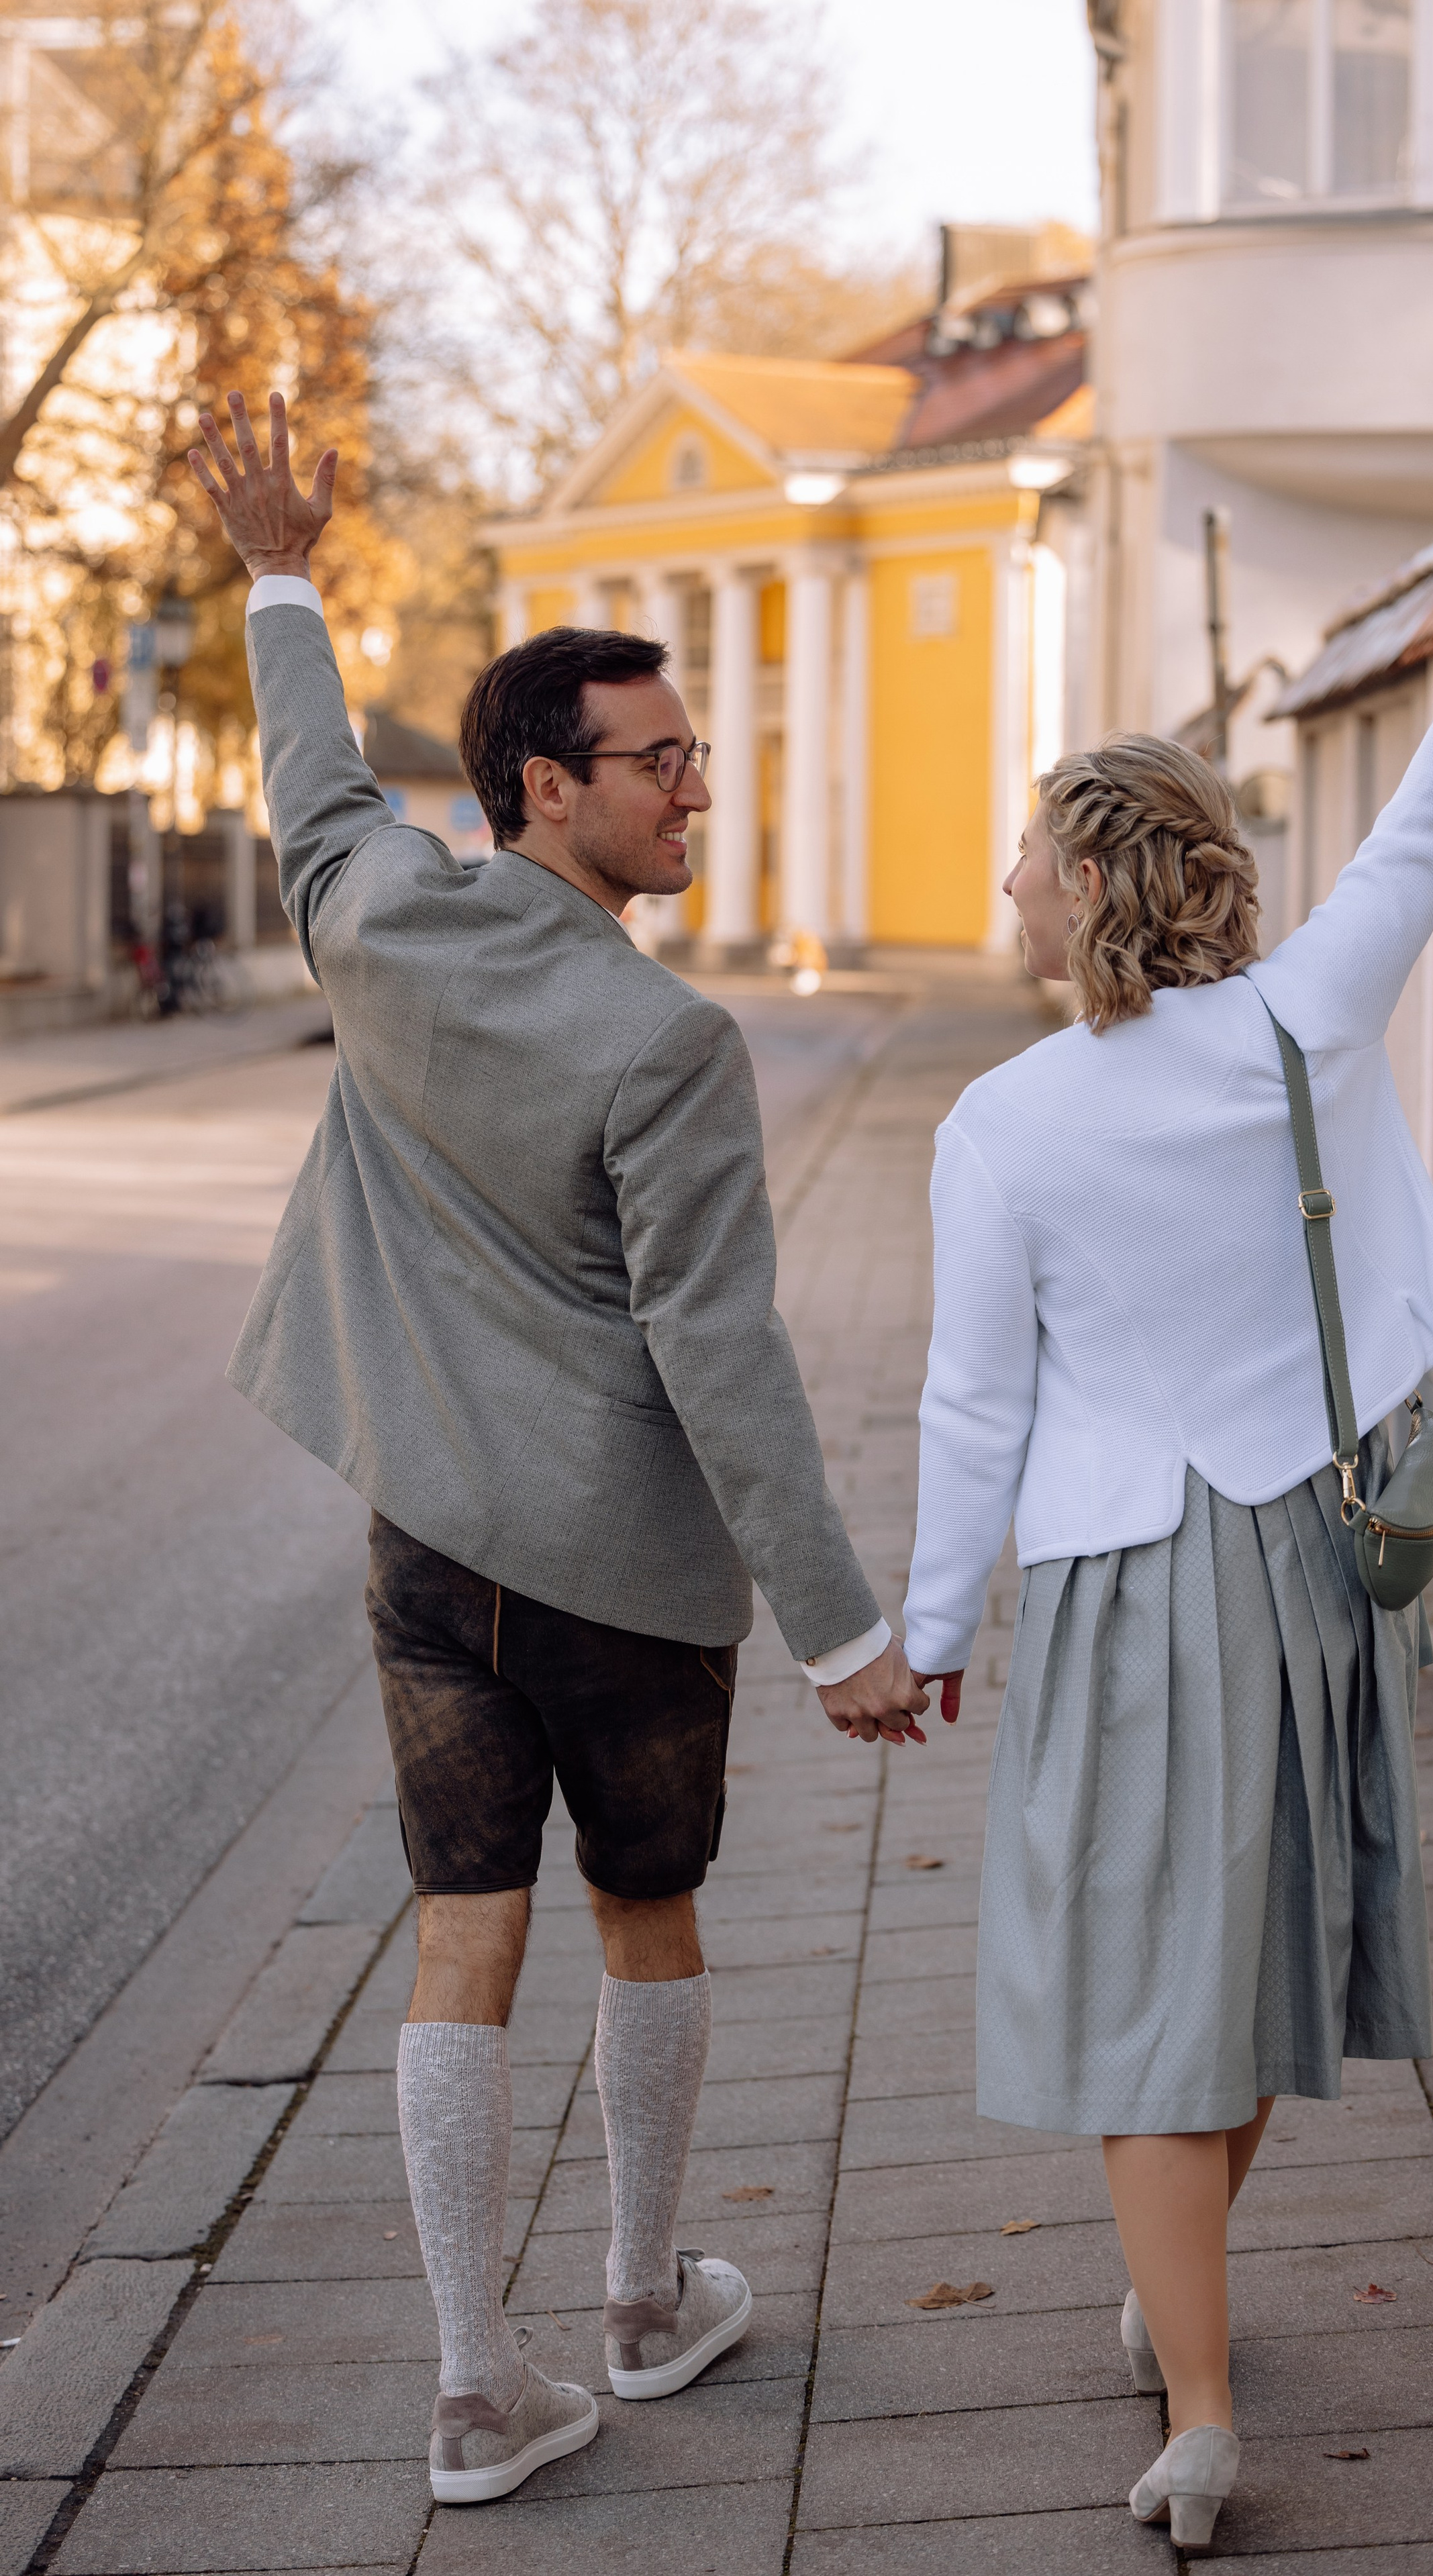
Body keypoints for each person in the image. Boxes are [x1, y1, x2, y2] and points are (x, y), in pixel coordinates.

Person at [190, 392, 928, 2506]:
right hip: (620, 1563)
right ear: (544, 785)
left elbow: (310, 775)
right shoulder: (667, 1041)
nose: (702, 782)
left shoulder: (372, 922)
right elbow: (724, 1350)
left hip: (427, 1538)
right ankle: (632, 2293)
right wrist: (838, 1625)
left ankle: (469, 2384)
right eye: (661, 759)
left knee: (458, 1931)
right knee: (651, 1906)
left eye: (695, 749)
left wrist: (279, 573)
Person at [903, 667, 1433, 2553]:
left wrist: (932, 1633)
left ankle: (1200, 2411)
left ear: (1091, 879)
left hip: (1122, 1582)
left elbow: (975, 1405)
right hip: (1312, 1568)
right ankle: (1180, 2318)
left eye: (1025, 850)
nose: (1007, 882)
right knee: (1258, 1960)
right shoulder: (1302, 1024)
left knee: (1150, 1995)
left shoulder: (1001, 1126)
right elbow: (1432, 824)